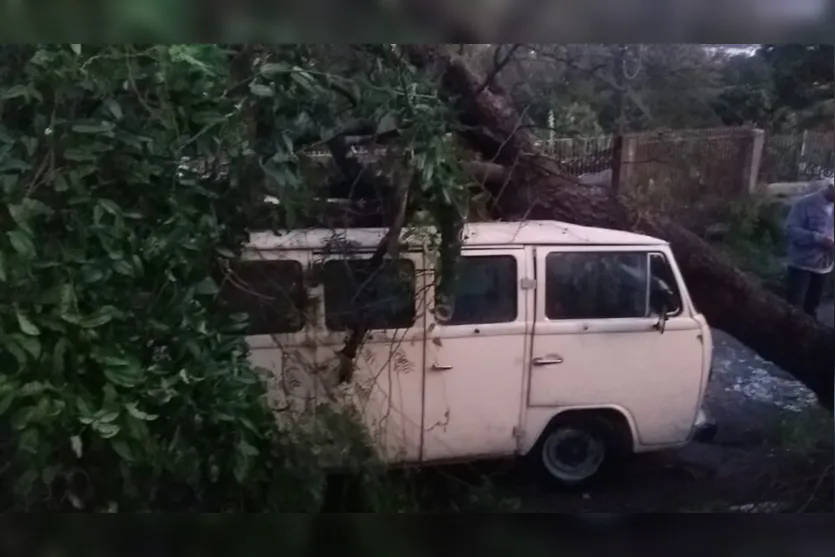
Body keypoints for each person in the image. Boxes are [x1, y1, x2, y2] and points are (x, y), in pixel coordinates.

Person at [783, 180, 834, 319]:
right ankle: (786, 337)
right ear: (831, 188)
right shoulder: (805, 204)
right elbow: (790, 229)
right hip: (801, 264)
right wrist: (817, 238)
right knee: (793, 307)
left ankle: (809, 337)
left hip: (823, 265)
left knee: (812, 307)